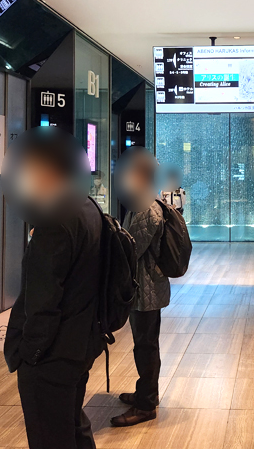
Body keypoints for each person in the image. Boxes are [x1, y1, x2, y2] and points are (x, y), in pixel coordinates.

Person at [2, 130, 104, 449]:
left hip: (54, 355)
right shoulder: (88, 208)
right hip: (82, 342)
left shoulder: (54, 221)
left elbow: (43, 299)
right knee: (73, 426)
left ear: (48, 171)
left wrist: (30, 354)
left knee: (50, 436)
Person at [111, 152, 168, 427]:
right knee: (144, 344)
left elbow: (132, 249)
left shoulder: (147, 208)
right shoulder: (142, 203)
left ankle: (146, 404)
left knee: (146, 346)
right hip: (144, 287)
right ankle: (145, 392)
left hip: (147, 289)